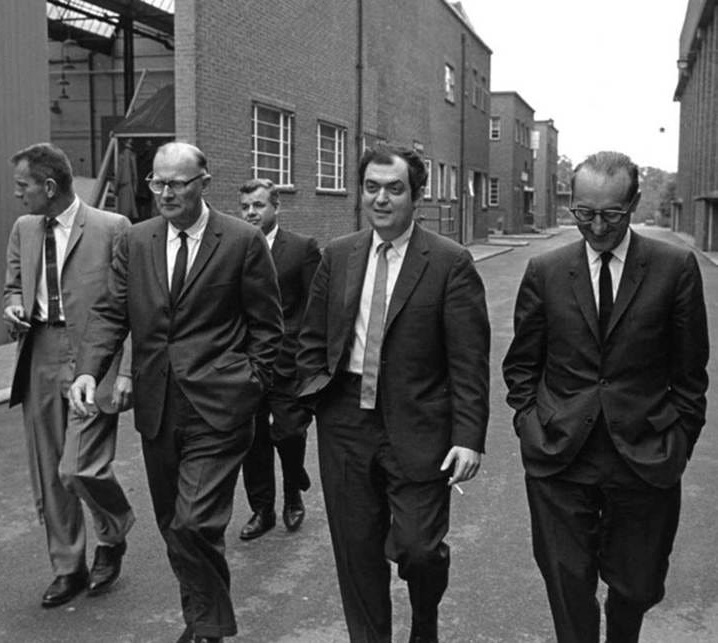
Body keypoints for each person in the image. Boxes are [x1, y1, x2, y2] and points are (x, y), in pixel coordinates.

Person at [68, 142, 282, 642]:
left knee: (194, 523)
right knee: (173, 524)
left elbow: (268, 327)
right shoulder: (136, 240)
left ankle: (208, 627)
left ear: (203, 183)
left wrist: (251, 384)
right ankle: (201, 619)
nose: (164, 193)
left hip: (220, 406)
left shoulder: (242, 241)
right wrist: (89, 370)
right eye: (157, 182)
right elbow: (111, 311)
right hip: (159, 406)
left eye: (177, 184)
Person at [503, 151, 709, 643]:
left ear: (633, 204)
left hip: (644, 457)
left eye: (611, 214)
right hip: (560, 457)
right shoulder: (546, 270)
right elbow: (522, 366)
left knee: (636, 587)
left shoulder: (674, 267)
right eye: (584, 213)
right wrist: (531, 426)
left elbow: (690, 375)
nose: (596, 226)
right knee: (567, 585)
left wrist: (677, 443)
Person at [296, 145, 490, 643]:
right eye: (371, 188)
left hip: (419, 427)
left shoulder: (449, 262)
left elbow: (468, 360)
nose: (381, 199)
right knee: (357, 554)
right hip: (346, 424)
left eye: (394, 189)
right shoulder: (338, 255)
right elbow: (312, 338)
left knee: (419, 549)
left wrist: (468, 438)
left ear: (416, 196)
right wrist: (314, 397)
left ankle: (424, 621)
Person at [3, 143, 135, 608]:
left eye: (23, 186)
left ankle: (113, 532)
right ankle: (67, 567)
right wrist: (12, 306)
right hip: (39, 352)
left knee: (77, 466)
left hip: (94, 356)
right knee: (49, 469)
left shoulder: (113, 227)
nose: (17, 194)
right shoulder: (23, 229)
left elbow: (133, 304)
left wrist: (127, 371)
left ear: (49, 186)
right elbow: (13, 285)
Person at [237, 178, 320, 540]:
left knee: (289, 432)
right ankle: (262, 510)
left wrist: (307, 358)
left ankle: (293, 490)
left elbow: (315, 308)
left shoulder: (301, 248)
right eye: (245, 207)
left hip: (288, 362)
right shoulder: (234, 248)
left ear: (276, 207)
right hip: (246, 362)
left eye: (259, 205)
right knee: (252, 440)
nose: (251, 213)